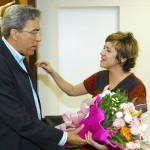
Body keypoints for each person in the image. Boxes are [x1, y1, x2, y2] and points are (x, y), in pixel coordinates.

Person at [36, 31, 147, 150]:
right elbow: (71, 90)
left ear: (123, 58)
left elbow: (133, 131)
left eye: (108, 50)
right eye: (104, 48)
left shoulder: (137, 87)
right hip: (87, 145)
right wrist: (51, 71)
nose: (102, 53)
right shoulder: (100, 77)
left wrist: (107, 147)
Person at [0, 4, 87, 150]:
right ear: (15, 33)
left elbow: (30, 111)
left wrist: (58, 132)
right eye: (34, 32)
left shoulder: (19, 56)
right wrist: (64, 137)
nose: (39, 38)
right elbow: (18, 118)